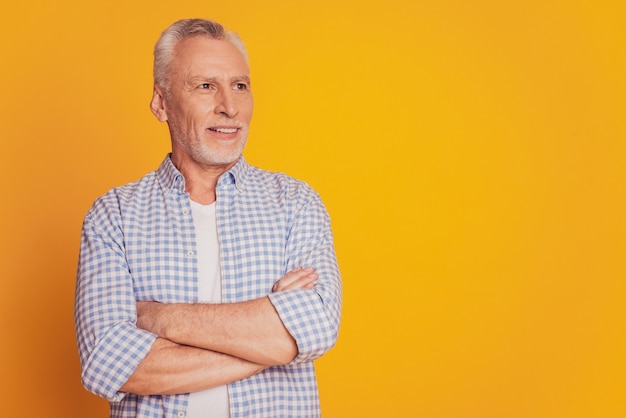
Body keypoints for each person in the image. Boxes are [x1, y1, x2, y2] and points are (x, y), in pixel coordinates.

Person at [74, 18, 342, 418]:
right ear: (161, 103)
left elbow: (317, 327)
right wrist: (276, 343)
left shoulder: (296, 203)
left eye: (240, 86)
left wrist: (159, 318)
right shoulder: (113, 215)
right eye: (205, 86)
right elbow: (106, 363)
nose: (230, 107)